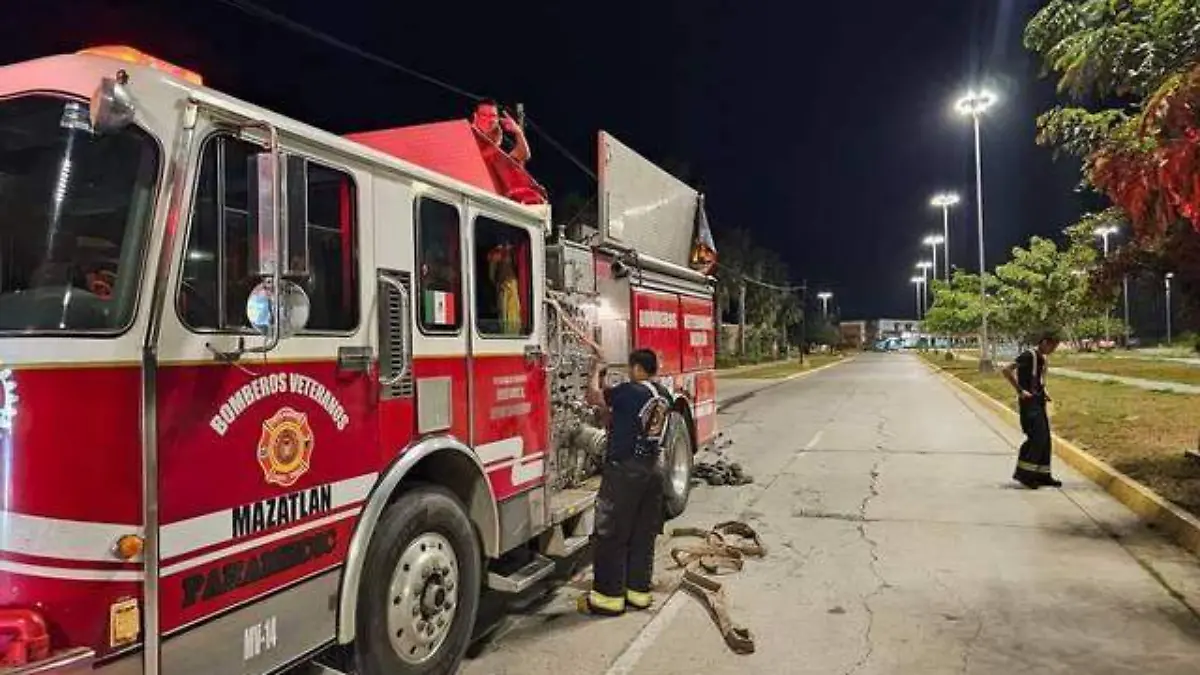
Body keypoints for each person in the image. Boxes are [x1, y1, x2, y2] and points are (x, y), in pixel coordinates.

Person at [579, 348, 671, 616]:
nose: (630, 373)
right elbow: (625, 416)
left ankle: (608, 598)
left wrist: (596, 369)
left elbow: (594, 397)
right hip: (653, 471)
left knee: (611, 533)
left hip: (625, 472)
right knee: (642, 535)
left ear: (638, 368)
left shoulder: (630, 391)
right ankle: (638, 593)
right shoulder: (662, 394)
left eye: (631, 368)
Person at [1001, 332, 1063, 489]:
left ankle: (1043, 474)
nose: (1053, 350)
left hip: (1039, 401)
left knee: (1046, 439)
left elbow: (1037, 379)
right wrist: (1020, 390)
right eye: (1052, 346)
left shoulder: (1042, 358)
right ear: (1044, 342)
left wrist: (1044, 392)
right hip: (1029, 403)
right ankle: (1025, 475)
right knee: (1037, 437)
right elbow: (1006, 370)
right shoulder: (1028, 355)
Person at [470, 99, 531, 166]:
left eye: (493, 116)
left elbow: (523, 155)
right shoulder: (466, 133)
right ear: (475, 116)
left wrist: (518, 132)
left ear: (497, 119)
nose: (489, 119)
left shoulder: (502, 140)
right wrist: (495, 147)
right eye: (484, 115)